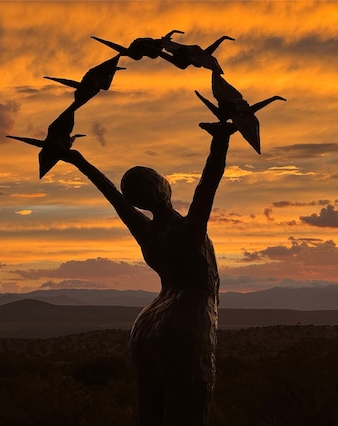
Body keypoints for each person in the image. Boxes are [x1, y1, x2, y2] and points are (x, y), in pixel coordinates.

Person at [59, 121, 237, 426]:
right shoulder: (187, 231)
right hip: (186, 320)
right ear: (163, 186)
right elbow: (208, 185)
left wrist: (78, 160)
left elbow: (110, 194)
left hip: (147, 324)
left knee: (151, 409)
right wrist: (220, 141)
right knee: (189, 408)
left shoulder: (147, 232)